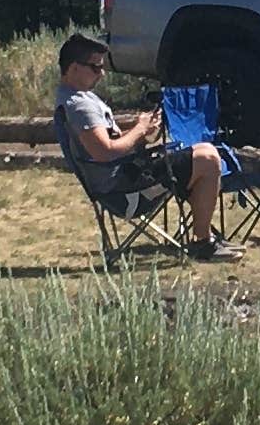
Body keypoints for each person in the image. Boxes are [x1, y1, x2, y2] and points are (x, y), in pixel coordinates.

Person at [53, 32, 234, 260]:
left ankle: (204, 239)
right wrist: (139, 130)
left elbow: (110, 143)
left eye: (102, 68)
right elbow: (104, 152)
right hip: (122, 190)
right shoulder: (79, 106)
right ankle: (203, 243)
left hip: (125, 177)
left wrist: (143, 129)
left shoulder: (76, 98)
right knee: (208, 159)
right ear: (73, 68)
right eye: (95, 68)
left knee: (201, 154)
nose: (101, 74)